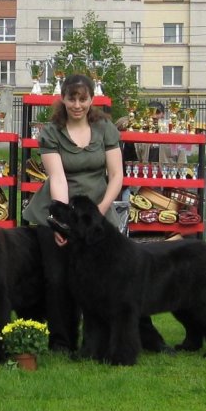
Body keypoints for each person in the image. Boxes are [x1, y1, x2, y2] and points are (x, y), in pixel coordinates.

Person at [23, 74, 165, 353]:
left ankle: (140, 338)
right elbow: (58, 179)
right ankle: (62, 342)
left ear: (91, 99)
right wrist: (63, 226)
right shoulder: (51, 132)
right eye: (71, 98)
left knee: (117, 275)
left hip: (98, 212)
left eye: (83, 98)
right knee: (57, 278)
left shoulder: (105, 128)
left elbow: (116, 176)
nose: (77, 104)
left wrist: (99, 213)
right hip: (58, 210)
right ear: (62, 98)